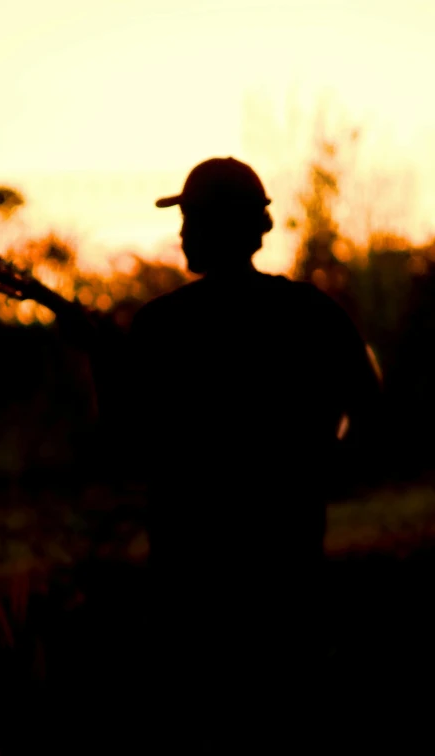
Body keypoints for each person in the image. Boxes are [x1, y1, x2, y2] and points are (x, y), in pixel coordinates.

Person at [121, 157, 383, 752]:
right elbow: (369, 406)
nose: (182, 233)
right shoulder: (312, 312)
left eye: (190, 220)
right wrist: (316, 467)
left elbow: (127, 446)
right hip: (289, 584)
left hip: (191, 599)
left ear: (214, 229)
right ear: (257, 231)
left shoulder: (159, 326)